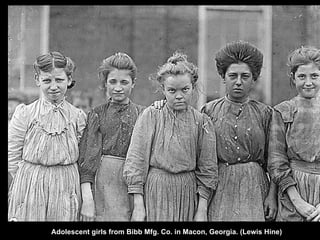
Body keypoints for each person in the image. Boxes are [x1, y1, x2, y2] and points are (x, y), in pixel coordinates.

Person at [123, 51, 218, 221]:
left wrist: (202, 209)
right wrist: (138, 205)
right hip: (156, 190)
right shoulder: (151, 115)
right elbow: (136, 160)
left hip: (187, 192)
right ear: (163, 90)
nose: (179, 96)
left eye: (185, 89)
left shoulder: (202, 121)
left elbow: (208, 167)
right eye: (172, 90)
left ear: (193, 87)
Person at [201, 41, 278, 221]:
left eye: (245, 76)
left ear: (254, 78)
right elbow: (202, 159)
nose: (238, 82)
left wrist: (272, 196)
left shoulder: (266, 113)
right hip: (220, 187)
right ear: (223, 77)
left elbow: (275, 160)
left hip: (255, 187)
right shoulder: (208, 111)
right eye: (232, 75)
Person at [8, 51, 87, 221]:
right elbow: (12, 153)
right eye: (46, 80)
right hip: (31, 185)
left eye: (59, 80)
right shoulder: (25, 114)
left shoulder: (77, 117)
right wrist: (27, 182)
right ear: (37, 80)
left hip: (66, 185)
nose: (53, 86)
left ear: (69, 79)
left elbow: (83, 156)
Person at [78, 52, 145, 221]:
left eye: (124, 82)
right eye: (112, 81)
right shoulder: (97, 114)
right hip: (104, 183)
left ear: (133, 83)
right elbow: (88, 161)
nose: (118, 87)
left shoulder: (143, 114)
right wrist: (87, 199)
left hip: (133, 183)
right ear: (105, 84)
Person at [268, 46, 320, 221]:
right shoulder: (283, 111)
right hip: (292, 192)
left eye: (314, 76)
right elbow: (276, 161)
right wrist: (298, 202)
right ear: (293, 78)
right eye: (301, 76)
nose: (308, 82)